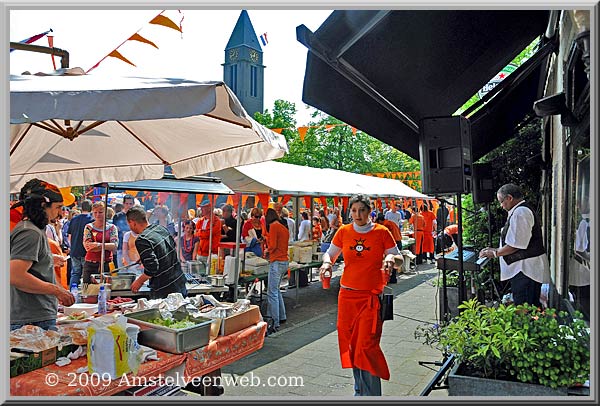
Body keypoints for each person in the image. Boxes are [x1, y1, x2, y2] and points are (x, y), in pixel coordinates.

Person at [318, 194, 401, 396]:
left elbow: (399, 257)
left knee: (366, 346)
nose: (357, 214)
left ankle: (371, 395)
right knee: (352, 345)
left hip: (370, 298)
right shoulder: (344, 231)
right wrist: (327, 263)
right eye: (354, 210)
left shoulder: (382, 232)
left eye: (361, 210)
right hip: (347, 296)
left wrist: (390, 257)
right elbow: (330, 252)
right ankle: (359, 391)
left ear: (369, 211)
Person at [10, 178, 75, 330]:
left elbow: (30, 266)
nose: (60, 214)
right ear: (42, 205)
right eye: (58, 207)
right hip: (31, 319)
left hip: (34, 316)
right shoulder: (30, 232)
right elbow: (15, 275)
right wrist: (56, 290)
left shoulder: (32, 229)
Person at [479, 184, 550, 307]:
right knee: (528, 308)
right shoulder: (519, 211)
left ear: (509, 198)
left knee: (525, 310)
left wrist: (495, 253)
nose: (501, 205)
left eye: (501, 201)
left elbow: (517, 244)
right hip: (524, 270)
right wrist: (496, 250)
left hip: (526, 271)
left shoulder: (520, 212)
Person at [126, 205, 187, 299]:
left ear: (133, 223)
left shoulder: (142, 239)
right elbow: (170, 248)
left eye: (129, 224)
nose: (130, 227)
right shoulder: (160, 228)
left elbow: (152, 268)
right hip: (179, 281)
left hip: (164, 289)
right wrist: (144, 258)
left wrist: (139, 281)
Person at [264, 208, 290, 333]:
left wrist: (267, 250)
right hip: (284, 260)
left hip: (277, 261)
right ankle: (282, 316)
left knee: (272, 292)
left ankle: (275, 321)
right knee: (276, 291)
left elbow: (273, 245)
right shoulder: (283, 227)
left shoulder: (274, 226)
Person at [82, 201, 118, 284]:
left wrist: (98, 245)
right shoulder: (89, 227)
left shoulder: (112, 228)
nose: (98, 215)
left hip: (107, 263)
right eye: (95, 212)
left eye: (100, 212)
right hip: (91, 264)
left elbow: (114, 246)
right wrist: (106, 246)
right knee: (89, 290)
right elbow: (88, 246)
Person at [67, 199, 93, 286]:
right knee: (86, 274)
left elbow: (69, 236)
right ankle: (84, 292)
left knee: (75, 273)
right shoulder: (91, 220)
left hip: (74, 250)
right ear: (91, 208)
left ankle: (72, 291)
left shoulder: (74, 219)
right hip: (86, 251)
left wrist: (72, 247)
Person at [375, 212, 402, 283]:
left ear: (380, 221)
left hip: (393, 242)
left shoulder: (386, 225)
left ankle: (391, 278)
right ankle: (392, 278)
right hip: (398, 240)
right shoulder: (390, 222)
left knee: (390, 261)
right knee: (393, 260)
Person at [112, 194, 135, 267]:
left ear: (133, 204)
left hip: (133, 247)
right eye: (127, 203)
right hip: (120, 247)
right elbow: (115, 230)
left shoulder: (136, 216)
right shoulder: (118, 216)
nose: (128, 205)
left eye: (130, 203)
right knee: (121, 269)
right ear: (123, 204)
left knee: (133, 269)